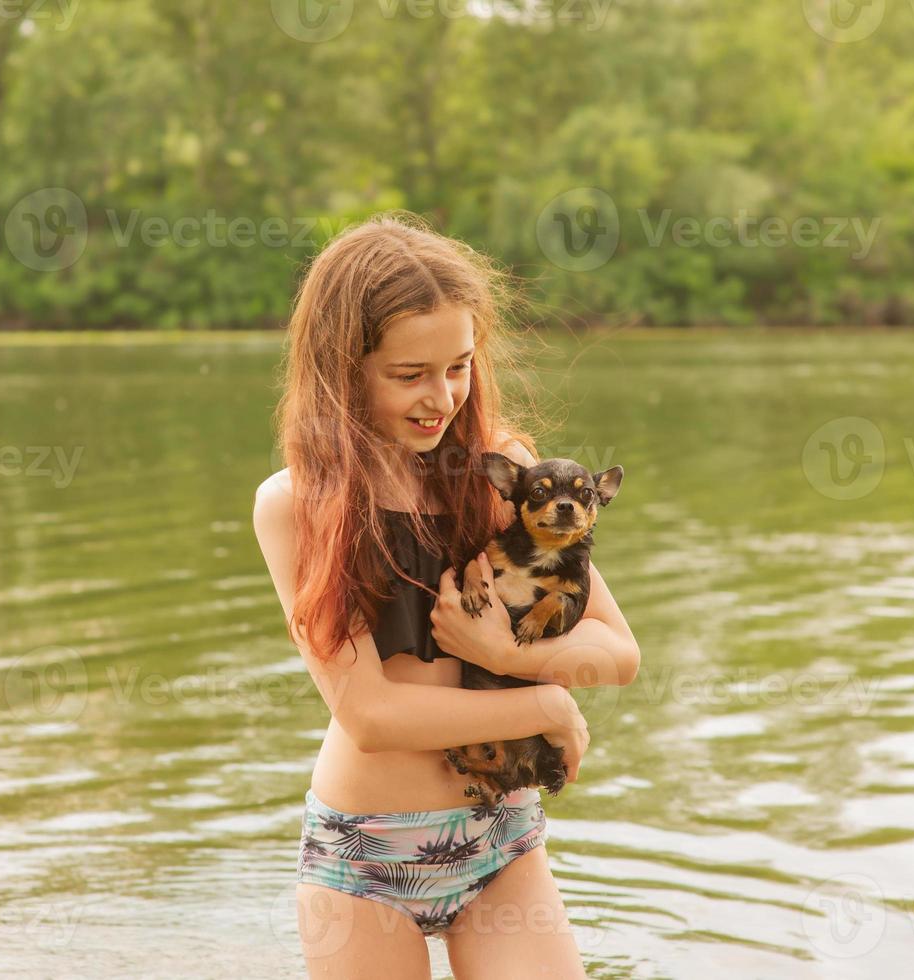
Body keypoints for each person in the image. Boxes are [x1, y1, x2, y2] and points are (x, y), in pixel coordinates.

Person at [252, 212, 641, 978]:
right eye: (409, 376)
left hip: (500, 840)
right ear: (342, 368)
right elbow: (371, 716)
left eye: (459, 366)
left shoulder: (505, 475)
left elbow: (617, 652)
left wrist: (502, 651)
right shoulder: (298, 503)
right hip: (367, 855)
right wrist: (546, 706)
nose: (443, 398)